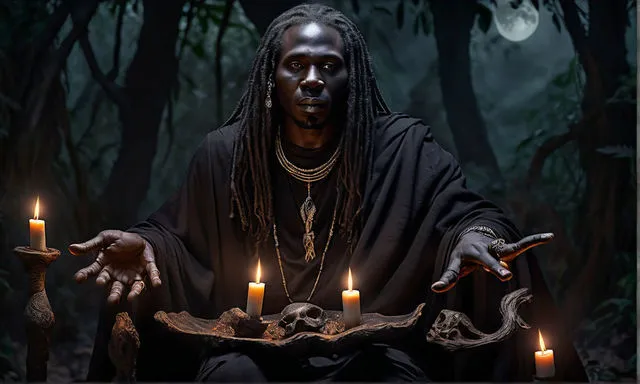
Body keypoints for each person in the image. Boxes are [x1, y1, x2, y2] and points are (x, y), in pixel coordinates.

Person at [69, 4, 586, 382]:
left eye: (328, 66)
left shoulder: (401, 149)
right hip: (252, 348)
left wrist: (476, 237)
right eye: (296, 65)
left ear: (351, 76)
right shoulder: (226, 155)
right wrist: (149, 246)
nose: (312, 79)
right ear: (271, 77)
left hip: (375, 348)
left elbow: (461, 211)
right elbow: (179, 236)